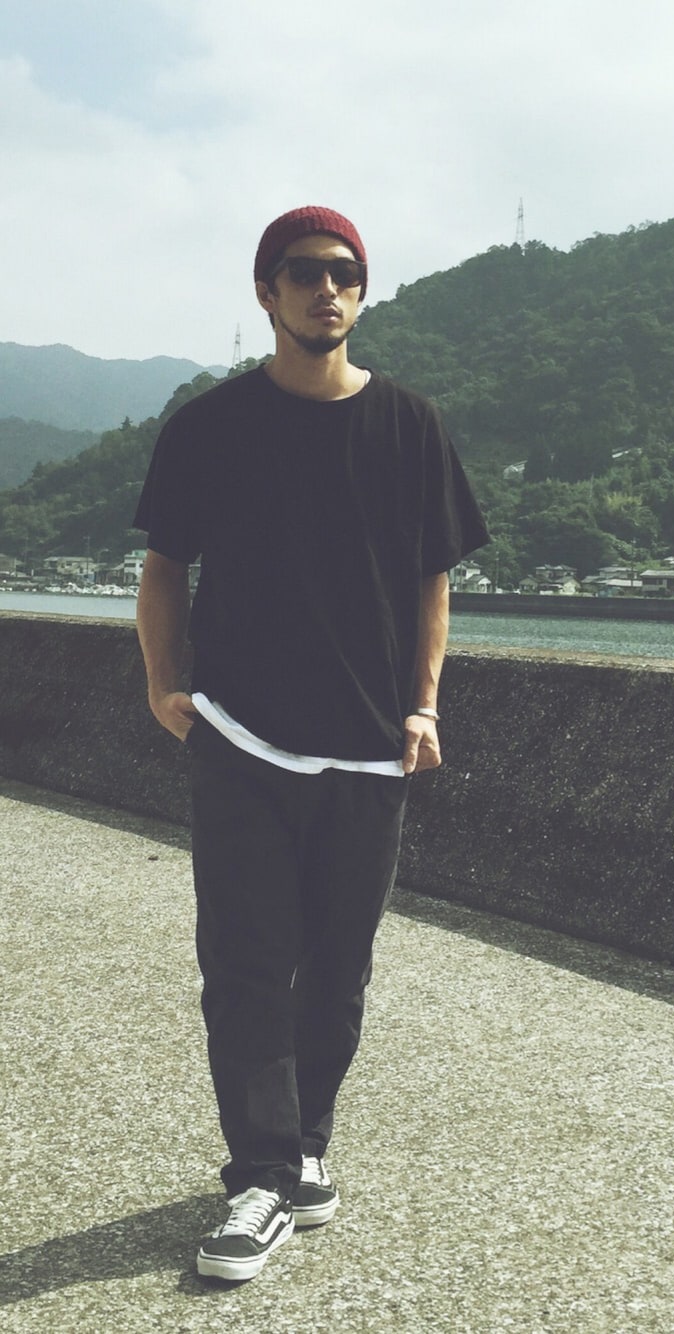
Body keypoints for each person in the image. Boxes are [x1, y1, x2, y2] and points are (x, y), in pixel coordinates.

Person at [134, 205, 489, 1282]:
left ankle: (302, 1147)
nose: (324, 288)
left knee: (336, 970)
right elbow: (165, 566)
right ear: (267, 292)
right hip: (241, 734)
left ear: (361, 295)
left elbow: (431, 579)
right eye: (301, 272)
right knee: (244, 963)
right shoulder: (209, 425)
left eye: (343, 273)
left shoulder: (410, 424)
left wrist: (423, 704)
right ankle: (261, 1178)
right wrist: (163, 680)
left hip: (371, 745)